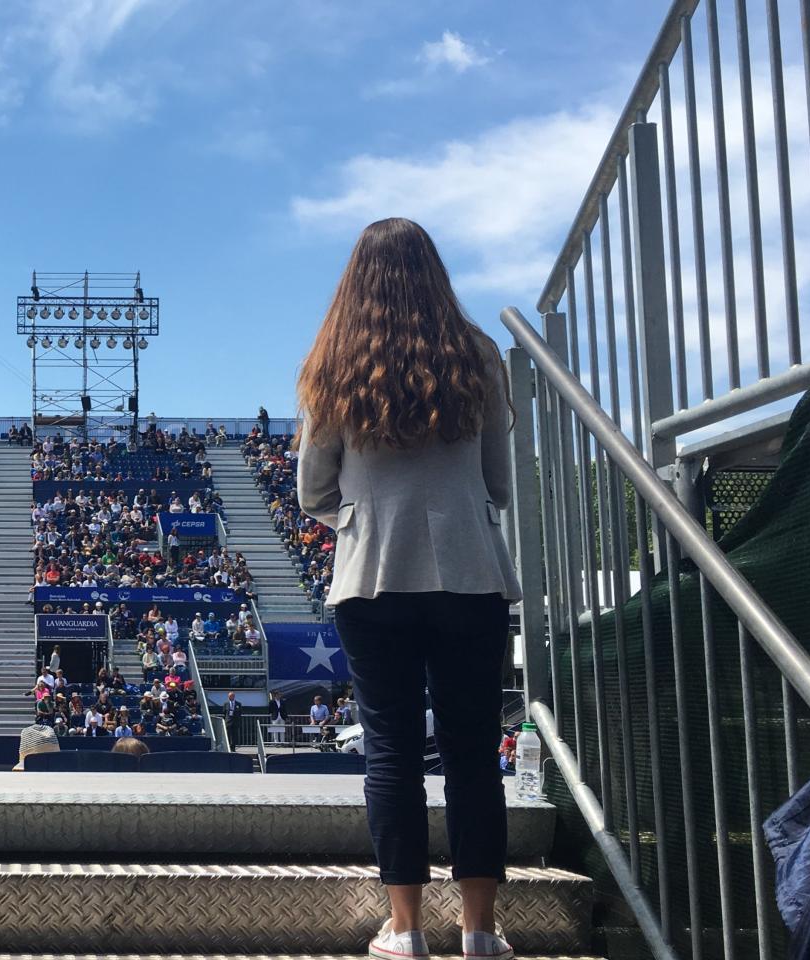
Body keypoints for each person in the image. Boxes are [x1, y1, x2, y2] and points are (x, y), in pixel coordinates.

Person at [296, 217, 521, 960]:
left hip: (372, 577)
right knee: (471, 752)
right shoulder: (479, 352)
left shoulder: (333, 361)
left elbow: (311, 491)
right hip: (469, 574)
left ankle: (406, 928)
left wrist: (361, 519)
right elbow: (498, 483)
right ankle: (481, 932)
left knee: (390, 749)